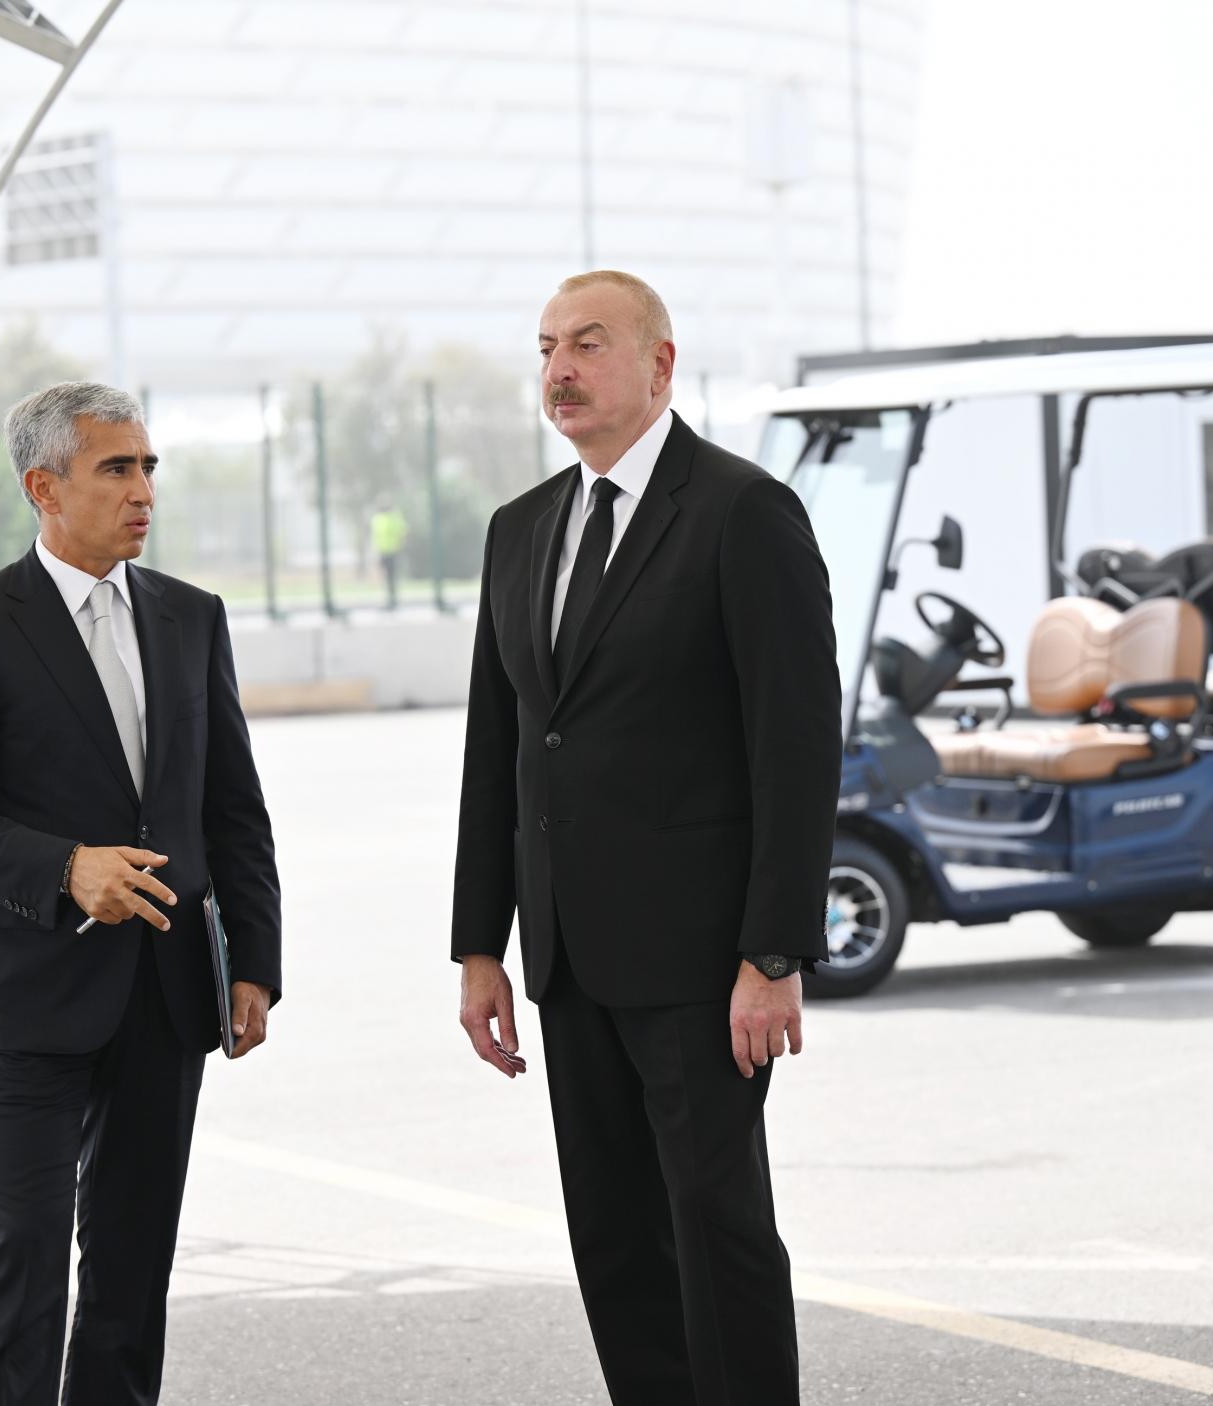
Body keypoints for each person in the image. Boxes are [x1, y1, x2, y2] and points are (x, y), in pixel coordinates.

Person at [450, 271, 840, 1404]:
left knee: (718, 1237)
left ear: (660, 365)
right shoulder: (519, 530)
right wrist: (483, 942)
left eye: (588, 344)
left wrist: (773, 954)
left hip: (702, 965)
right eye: (545, 348)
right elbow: (503, 750)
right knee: (614, 1243)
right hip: (569, 959)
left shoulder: (741, 512)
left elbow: (796, 750)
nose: (559, 369)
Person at [0, 381, 282, 1406]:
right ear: (44, 486)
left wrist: (253, 963)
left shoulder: (191, 617)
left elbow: (232, 807)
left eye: (149, 465)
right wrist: (67, 866)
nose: (143, 488)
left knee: (131, 1263)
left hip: (165, 994)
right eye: (116, 467)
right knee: (22, 1262)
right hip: (28, 996)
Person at [371, 499, 410, 609]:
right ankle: (387, 599)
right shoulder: (377, 518)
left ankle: (393, 600)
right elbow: (375, 536)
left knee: (392, 577)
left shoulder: (395, 517)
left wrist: (400, 545)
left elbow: (403, 532)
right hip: (382, 552)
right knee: (384, 577)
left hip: (393, 551)